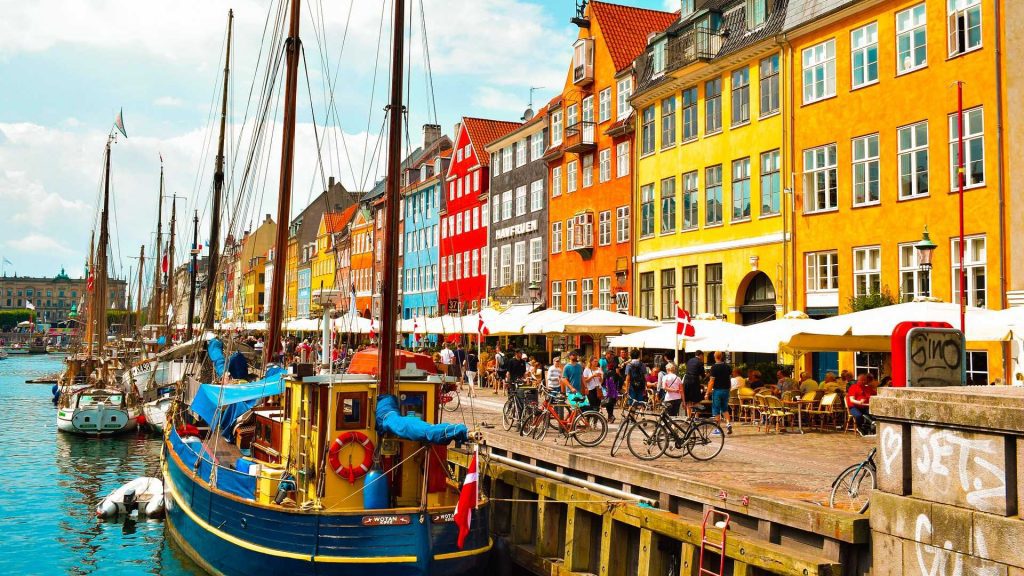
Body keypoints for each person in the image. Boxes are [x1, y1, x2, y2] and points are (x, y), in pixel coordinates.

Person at [704, 351, 733, 434]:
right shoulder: (727, 367)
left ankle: (718, 428)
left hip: (717, 391)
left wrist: (707, 392)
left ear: (715, 357)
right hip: (726, 390)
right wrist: (729, 388)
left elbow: (712, 381)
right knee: (725, 409)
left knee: (716, 409)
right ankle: (728, 424)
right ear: (722, 356)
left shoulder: (714, 367)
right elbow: (729, 379)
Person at [683, 350, 706, 416]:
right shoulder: (700, 362)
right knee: (696, 399)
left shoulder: (689, 360)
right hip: (694, 381)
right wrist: (706, 376)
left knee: (688, 400)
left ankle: (688, 416)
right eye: (703, 356)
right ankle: (696, 417)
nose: (703, 358)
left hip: (686, 380)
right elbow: (702, 375)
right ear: (700, 355)